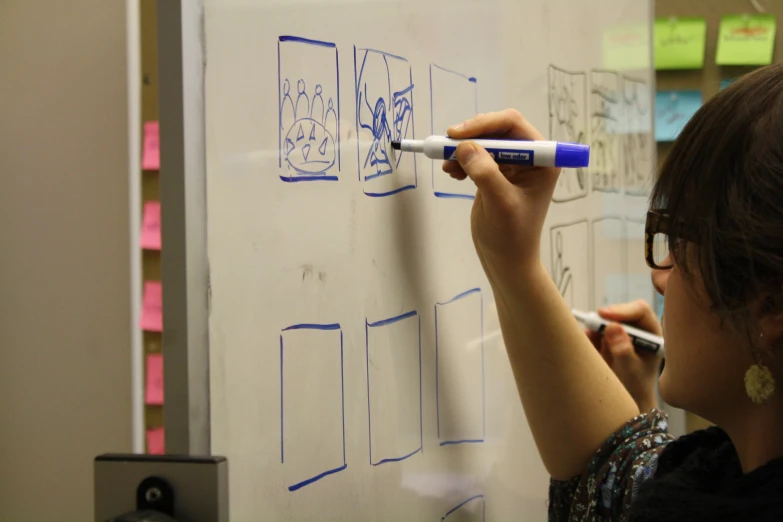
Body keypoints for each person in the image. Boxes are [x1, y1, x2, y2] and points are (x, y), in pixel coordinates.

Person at [442, 64, 783, 521]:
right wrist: (513, 262)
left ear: (771, 304)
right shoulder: (722, 479)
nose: (661, 278)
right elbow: (612, 474)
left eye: (680, 244)